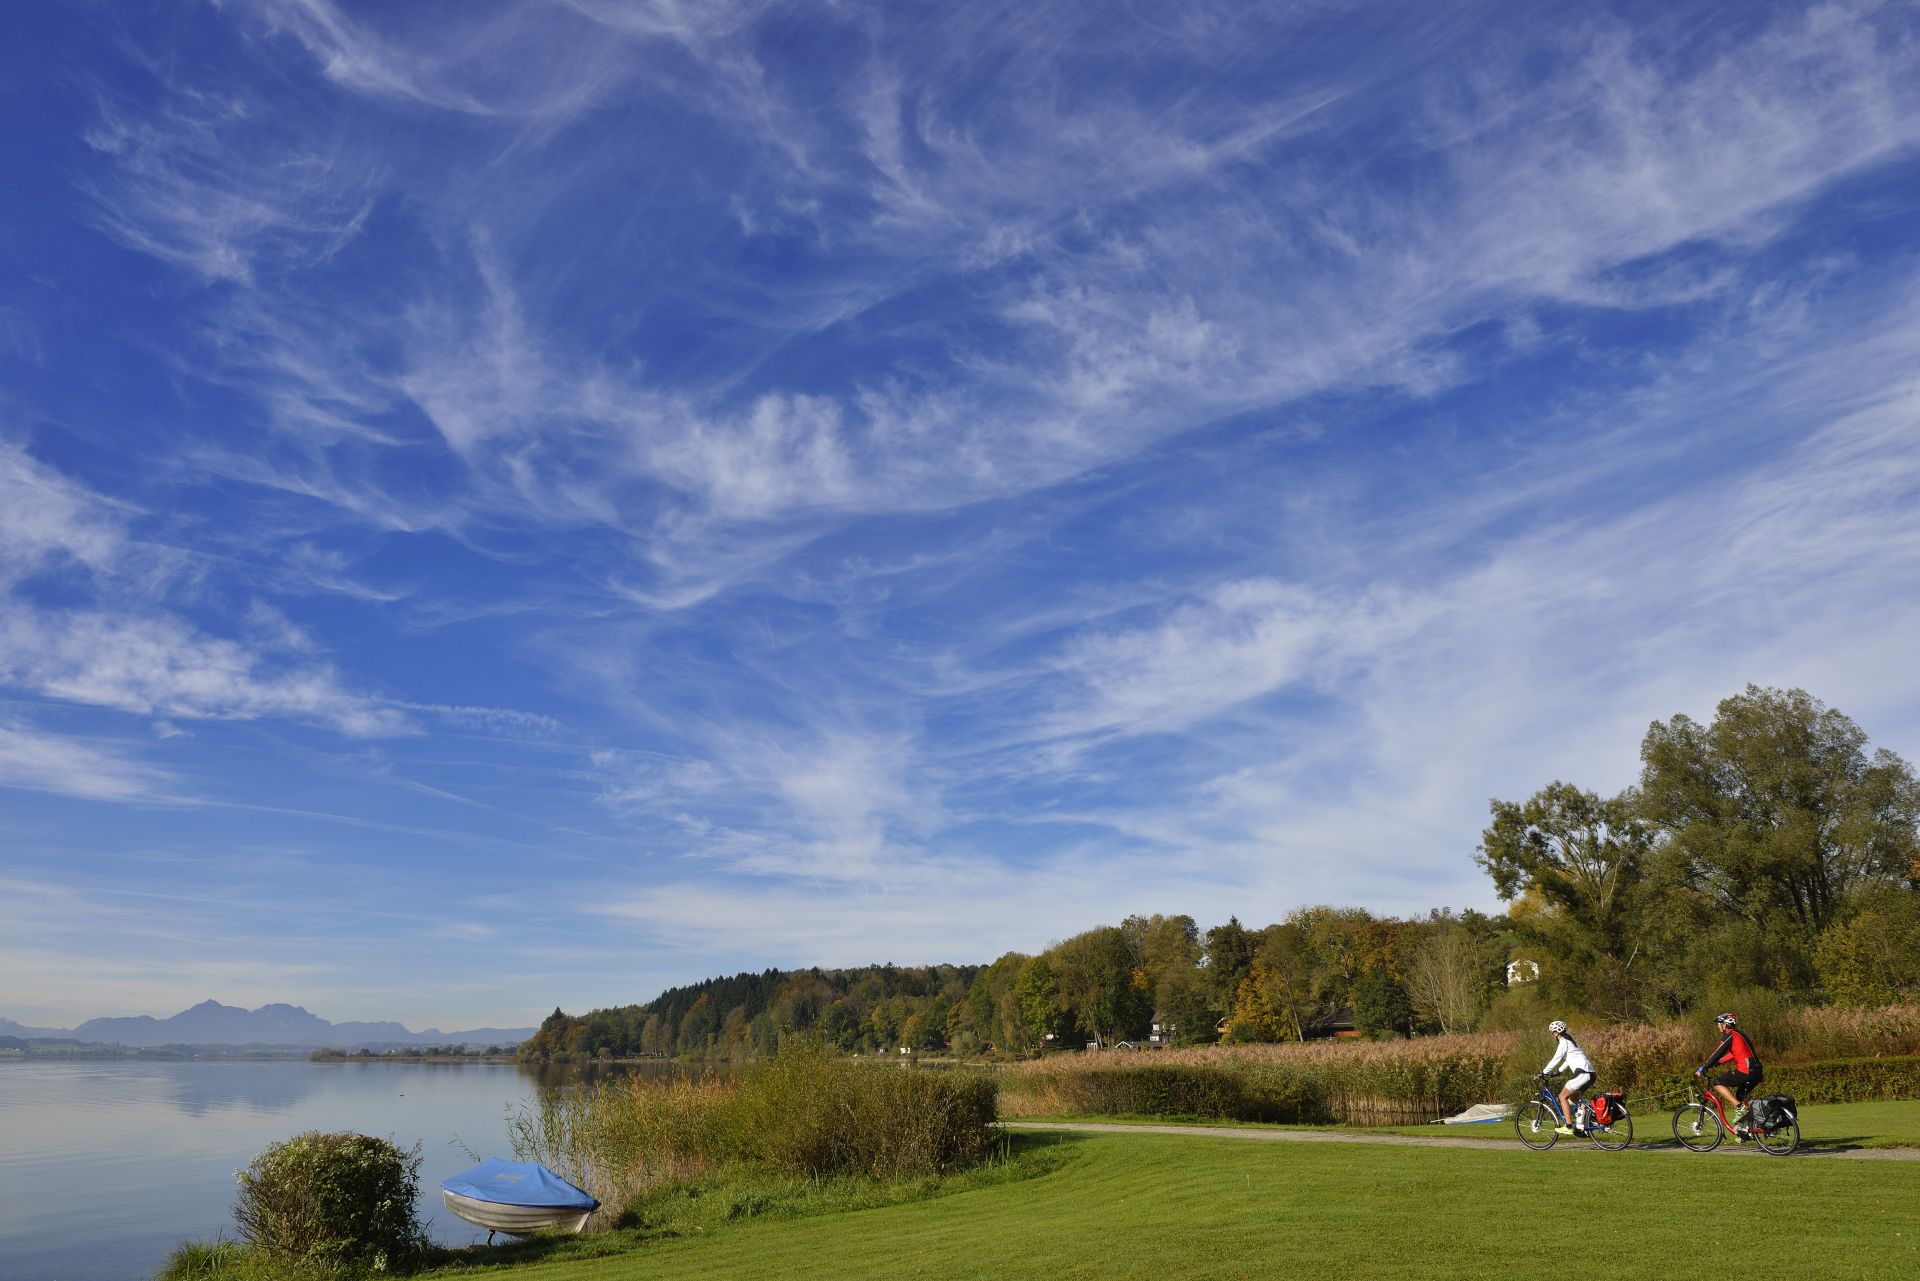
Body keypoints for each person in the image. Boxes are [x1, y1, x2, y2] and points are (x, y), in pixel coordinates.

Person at [1697, 1011, 1763, 1131]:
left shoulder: (1730, 1035)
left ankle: (1738, 1107)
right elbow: (1731, 1055)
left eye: (1719, 1024)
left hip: (1746, 1071)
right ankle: (1747, 1128)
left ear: (1725, 1024)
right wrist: (1715, 1064)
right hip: (1756, 1072)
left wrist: (1704, 1067)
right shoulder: (1739, 1034)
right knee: (1739, 1096)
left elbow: (1718, 1052)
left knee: (1717, 1082)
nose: (1717, 1026)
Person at [1540, 1019, 1595, 1135]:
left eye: (1552, 1033)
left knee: (1562, 1096)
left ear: (1556, 1033)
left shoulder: (1564, 1042)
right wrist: (1559, 1071)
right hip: (1590, 1074)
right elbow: (1569, 1059)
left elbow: (1557, 1058)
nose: (1553, 1035)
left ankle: (1569, 1126)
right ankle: (1585, 1121)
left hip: (1583, 1073)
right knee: (1573, 1099)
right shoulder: (1571, 1041)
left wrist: (1543, 1072)